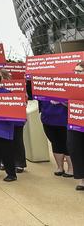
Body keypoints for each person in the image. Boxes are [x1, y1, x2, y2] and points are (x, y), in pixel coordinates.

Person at [38, 97, 73, 177]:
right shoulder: (44, 86)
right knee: (55, 142)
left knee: (66, 144)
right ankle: (59, 167)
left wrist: (63, 102)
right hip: (47, 118)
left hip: (64, 119)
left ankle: (71, 169)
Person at [67, 62, 84, 191]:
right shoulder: (72, 86)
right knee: (74, 148)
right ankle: (81, 179)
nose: (76, 74)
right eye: (75, 71)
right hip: (75, 123)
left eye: (79, 71)